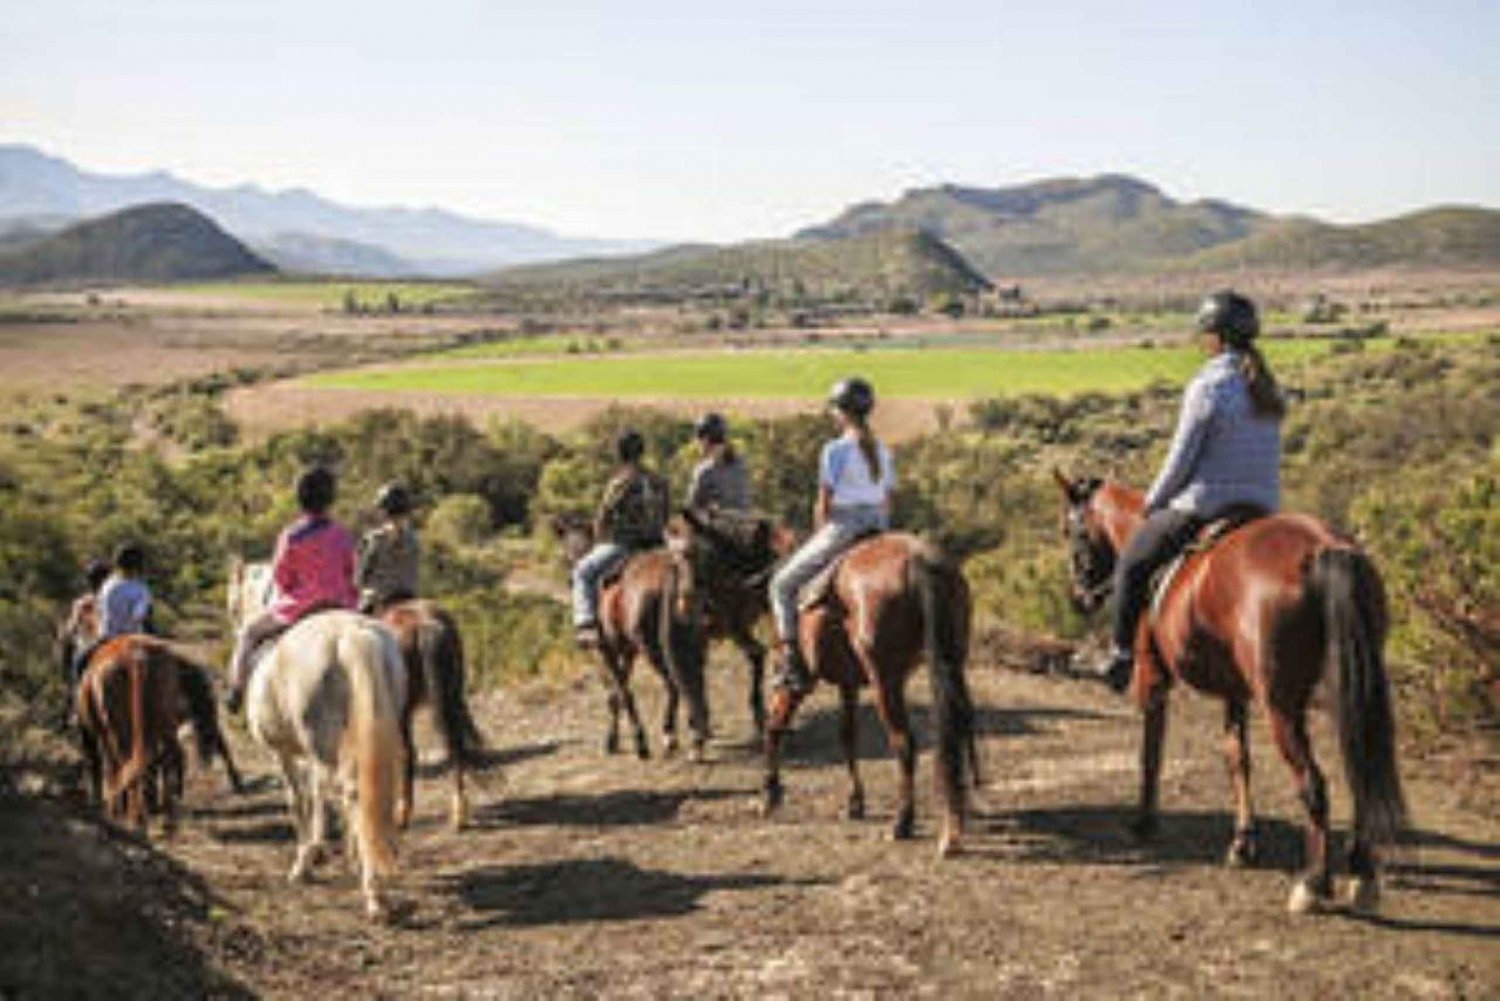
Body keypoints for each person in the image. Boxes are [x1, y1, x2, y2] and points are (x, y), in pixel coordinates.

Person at [1097, 290, 1286, 693]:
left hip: (1206, 506)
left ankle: (1121, 655)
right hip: (1264, 507)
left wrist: (1153, 501)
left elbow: (1181, 459)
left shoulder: (1208, 386)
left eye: (1205, 335)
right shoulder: (1268, 387)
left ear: (1214, 338)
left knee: (1131, 563)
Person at [768, 377, 894, 695]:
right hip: (878, 527)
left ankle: (793, 663)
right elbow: (888, 499)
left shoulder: (834, 450)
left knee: (781, 585)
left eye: (836, 410)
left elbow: (823, 502)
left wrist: (818, 534)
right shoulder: (882, 449)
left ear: (843, 413)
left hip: (844, 526)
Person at [225, 467, 359, 711]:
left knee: (247, 634)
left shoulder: (293, 535)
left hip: (301, 606)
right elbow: (351, 570)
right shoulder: (342, 533)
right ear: (330, 499)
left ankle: (235, 689)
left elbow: (281, 577)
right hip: (342, 603)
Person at [570, 429, 669, 647]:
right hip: (659, 544)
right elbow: (665, 514)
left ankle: (586, 625)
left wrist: (598, 539)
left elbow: (603, 517)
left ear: (619, 454)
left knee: (583, 571)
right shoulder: (659, 481)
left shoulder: (620, 482)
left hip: (625, 546)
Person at [357, 481, 420, 613]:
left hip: (380, 598)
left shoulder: (375, 538)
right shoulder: (414, 539)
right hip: (410, 597)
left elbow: (361, 576)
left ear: (383, 511)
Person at [686, 412, 751, 514]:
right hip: (744, 525)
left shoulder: (704, 471)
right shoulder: (742, 463)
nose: (697, 445)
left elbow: (691, 508)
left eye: (698, 440)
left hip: (718, 527)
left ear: (705, 440)